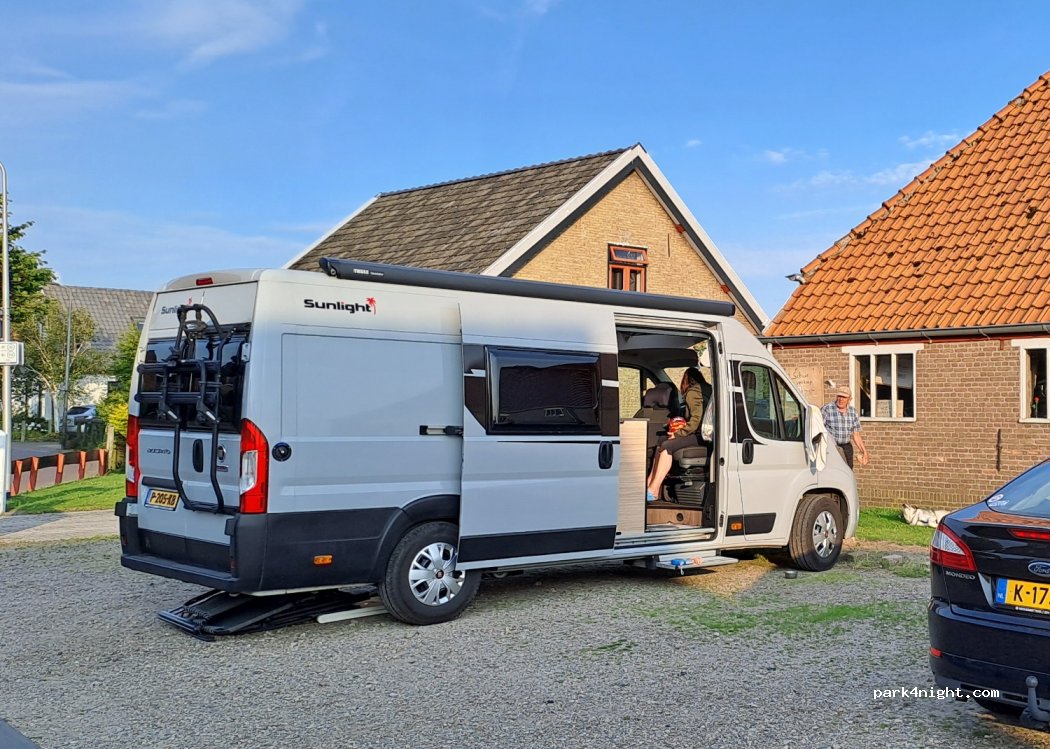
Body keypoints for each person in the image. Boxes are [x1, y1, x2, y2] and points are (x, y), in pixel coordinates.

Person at [646, 367, 706, 503]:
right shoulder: (705, 391)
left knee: (667, 445)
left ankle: (653, 490)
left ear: (685, 381)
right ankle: (650, 483)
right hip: (701, 434)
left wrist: (678, 434)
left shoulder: (693, 393)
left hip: (701, 436)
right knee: (662, 440)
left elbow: (696, 421)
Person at [821, 385, 869, 469]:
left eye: (844, 397)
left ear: (849, 399)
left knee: (848, 471)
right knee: (832, 471)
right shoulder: (827, 409)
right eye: (839, 396)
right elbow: (819, 429)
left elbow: (856, 435)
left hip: (846, 448)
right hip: (831, 447)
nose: (841, 399)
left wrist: (864, 451)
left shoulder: (853, 412)